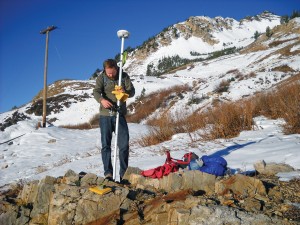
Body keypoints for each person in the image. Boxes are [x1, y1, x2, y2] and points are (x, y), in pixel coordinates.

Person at [93, 59, 135, 182]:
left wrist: (124, 91)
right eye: (108, 73)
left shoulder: (124, 76)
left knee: (123, 145)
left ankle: (124, 174)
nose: (110, 75)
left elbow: (132, 91)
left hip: (119, 114)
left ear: (116, 69)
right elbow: (96, 91)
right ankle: (108, 174)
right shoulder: (101, 78)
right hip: (105, 116)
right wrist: (102, 100)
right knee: (106, 145)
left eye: (112, 73)